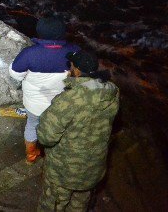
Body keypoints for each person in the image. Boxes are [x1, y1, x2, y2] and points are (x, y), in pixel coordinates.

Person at [37, 50, 119, 211]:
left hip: (64, 172)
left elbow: (46, 137)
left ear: (78, 70)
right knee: (79, 205)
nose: (69, 69)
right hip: (93, 169)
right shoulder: (112, 91)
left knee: (52, 205)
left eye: (71, 66)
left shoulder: (69, 100)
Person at [9, 16, 80, 164]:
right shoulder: (74, 51)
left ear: (39, 31)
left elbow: (15, 74)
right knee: (60, 128)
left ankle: (31, 156)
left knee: (32, 126)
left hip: (34, 105)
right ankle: (56, 154)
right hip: (62, 105)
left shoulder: (29, 53)